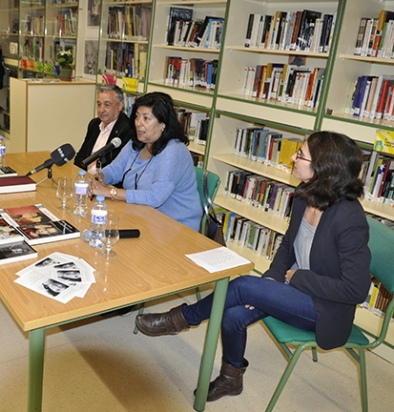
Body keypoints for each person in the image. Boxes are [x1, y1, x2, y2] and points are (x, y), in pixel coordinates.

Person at [135, 131, 372, 402]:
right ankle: (231, 378)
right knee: (233, 314)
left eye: (301, 155)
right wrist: (270, 283)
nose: (293, 158)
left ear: (323, 167)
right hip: (290, 285)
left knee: (243, 285)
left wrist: (296, 279)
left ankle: (181, 319)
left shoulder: (349, 218)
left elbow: (355, 290)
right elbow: (287, 247)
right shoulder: (305, 196)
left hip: (324, 306)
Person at [88, 92, 201, 231]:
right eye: (137, 117)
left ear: (162, 124)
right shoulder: (136, 142)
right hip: (143, 217)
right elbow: (116, 169)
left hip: (175, 227)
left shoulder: (174, 151)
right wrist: (100, 178)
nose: (138, 123)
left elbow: (155, 197)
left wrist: (111, 192)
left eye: (146, 118)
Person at [74, 85, 134, 174]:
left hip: (106, 182)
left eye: (107, 104)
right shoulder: (94, 124)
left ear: (120, 105)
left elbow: (117, 168)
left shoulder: (127, 130)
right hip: (86, 178)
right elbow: (81, 157)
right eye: (99, 104)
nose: (101, 110)